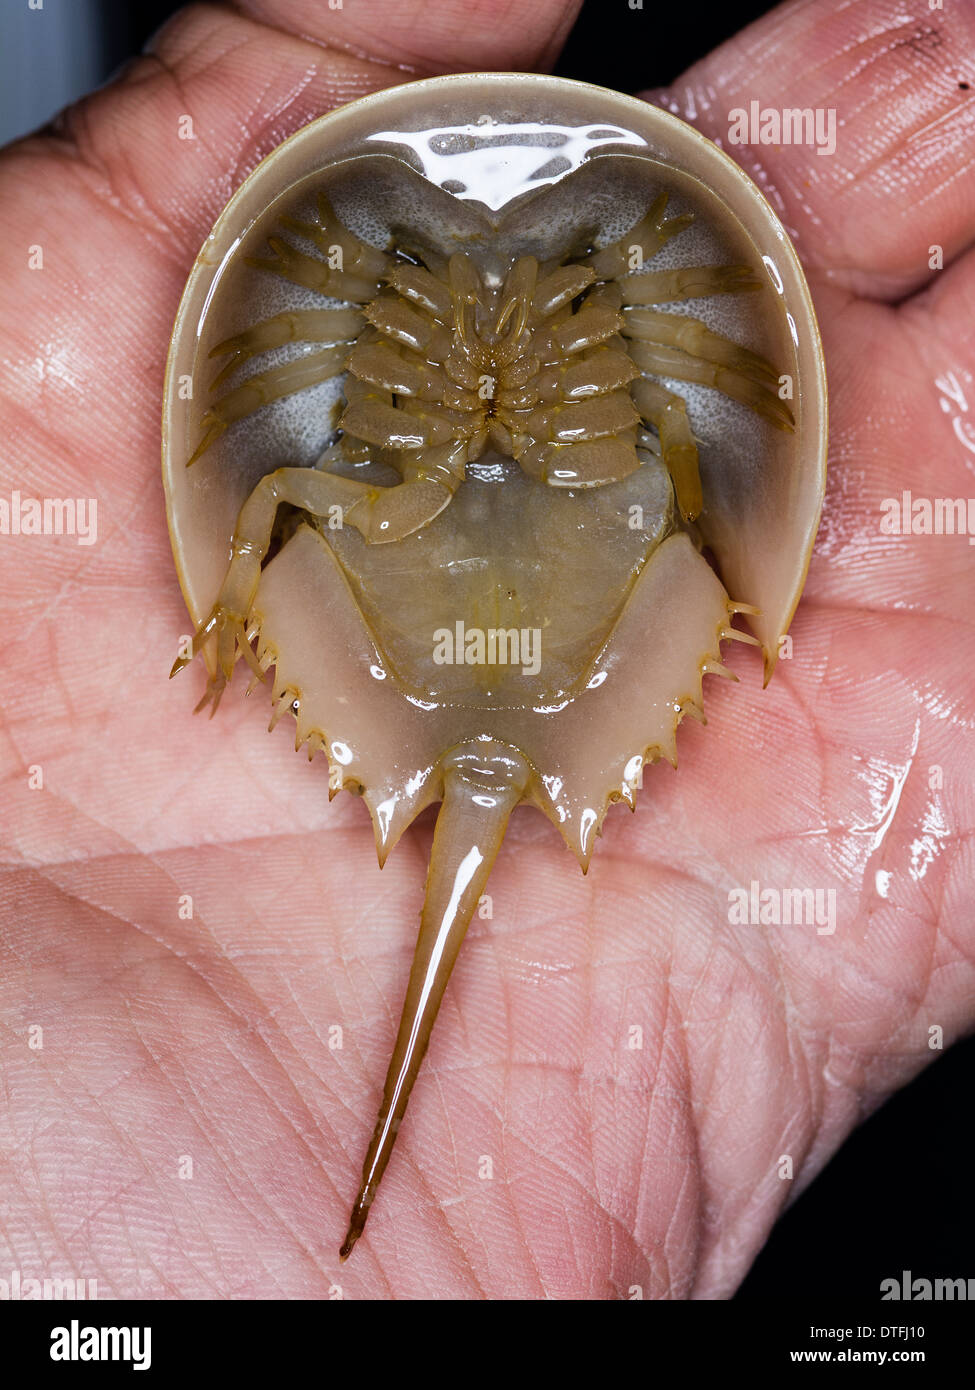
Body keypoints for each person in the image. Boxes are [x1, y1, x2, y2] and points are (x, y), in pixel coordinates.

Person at [1, 0, 972, 1298]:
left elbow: (281, 466)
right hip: (471, 524)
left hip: (507, 518)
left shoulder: (376, 258)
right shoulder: (617, 280)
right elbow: (688, 455)